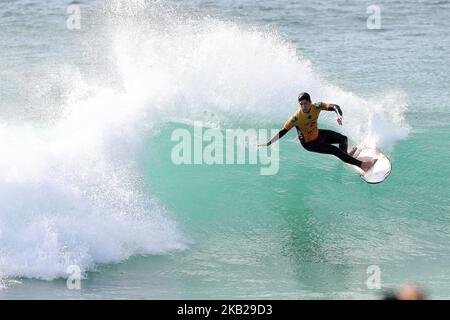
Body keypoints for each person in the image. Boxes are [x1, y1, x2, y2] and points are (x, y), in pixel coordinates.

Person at [258, 92, 377, 172]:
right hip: (309, 143)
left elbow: (334, 106)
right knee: (335, 151)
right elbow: (283, 131)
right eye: (301, 104)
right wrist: (269, 142)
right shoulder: (295, 118)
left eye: (305, 103)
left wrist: (339, 115)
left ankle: (345, 155)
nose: (303, 106)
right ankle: (363, 166)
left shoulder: (317, 106)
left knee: (343, 139)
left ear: (310, 102)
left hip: (317, 134)